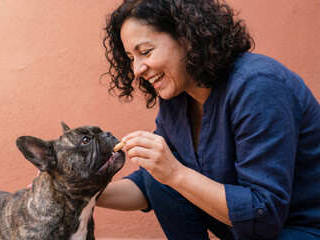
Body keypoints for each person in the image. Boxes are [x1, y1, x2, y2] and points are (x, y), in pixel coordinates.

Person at [96, 0, 320, 239]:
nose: (137, 69)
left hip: (302, 230)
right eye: (131, 57)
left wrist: (175, 173)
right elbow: (153, 182)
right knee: (157, 175)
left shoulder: (258, 86)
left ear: (187, 38)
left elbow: (263, 214)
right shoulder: (177, 98)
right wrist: (77, 192)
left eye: (145, 52)